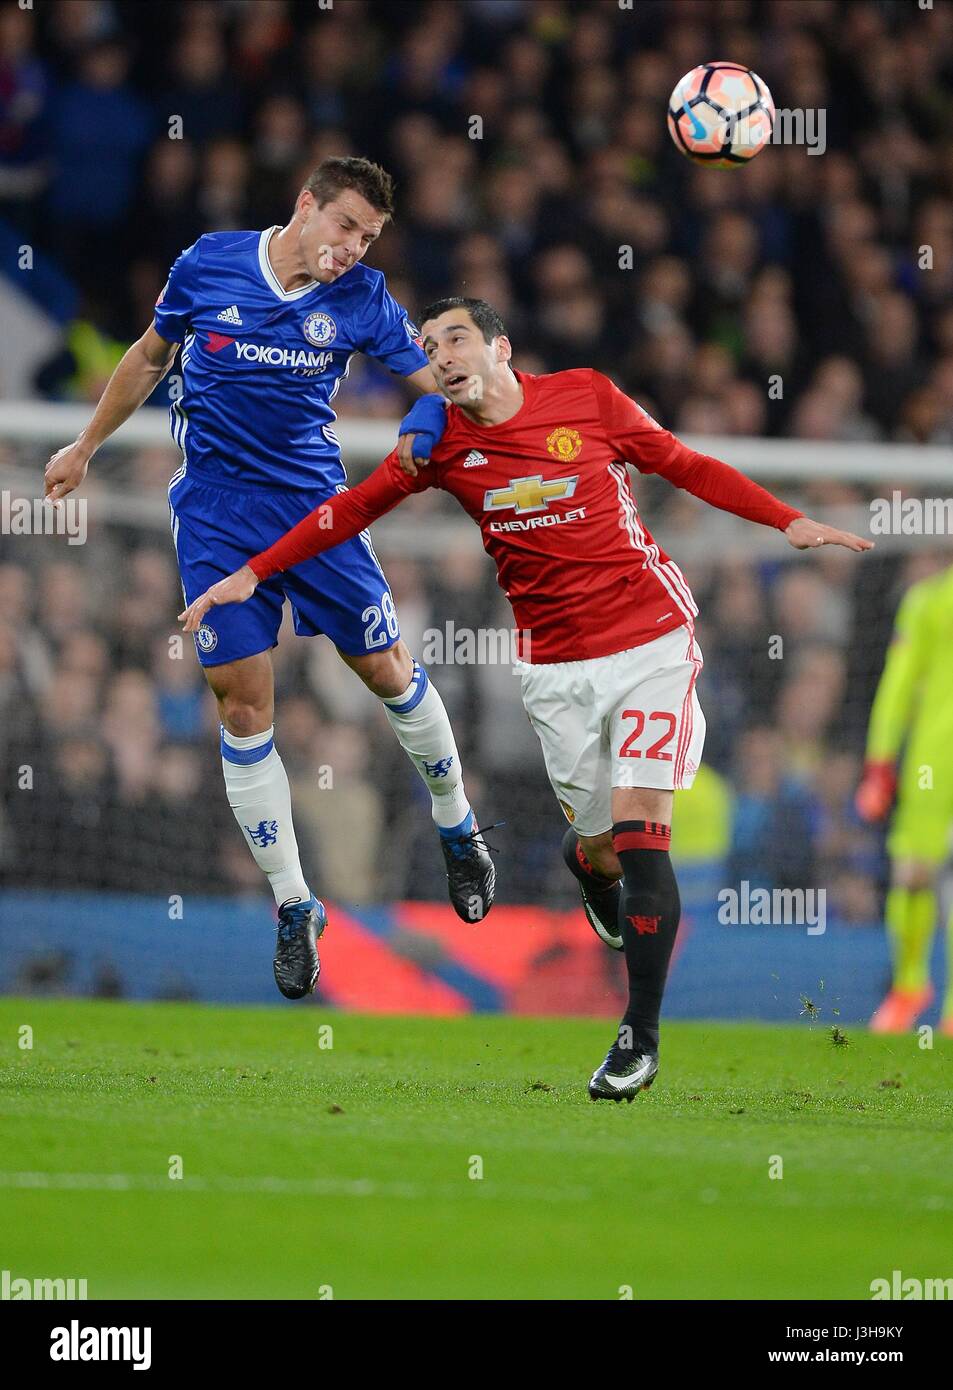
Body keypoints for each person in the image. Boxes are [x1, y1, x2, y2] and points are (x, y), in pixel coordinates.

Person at [180, 296, 872, 1098]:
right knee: (605, 847)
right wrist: (255, 572)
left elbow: (683, 463)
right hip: (553, 672)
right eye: (428, 345)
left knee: (647, 840)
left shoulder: (587, 396)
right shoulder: (437, 444)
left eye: (456, 338)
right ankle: (586, 865)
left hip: (650, 640)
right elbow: (349, 509)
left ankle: (636, 1038)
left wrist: (784, 520)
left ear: (500, 347)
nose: (440, 354)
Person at [43, 162, 494, 1003]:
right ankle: (294, 907)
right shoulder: (208, 263)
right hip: (215, 515)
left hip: (314, 511)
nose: (353, 248)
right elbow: (148, 357)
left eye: (369, 237)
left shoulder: (362, 297)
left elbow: (436, 383)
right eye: (347, 226)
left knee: (387, 672)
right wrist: (84, 446)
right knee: (244, 706)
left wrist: (426, 422)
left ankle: (458, 826)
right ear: (306, 206)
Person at [856, 563, 953, 1035]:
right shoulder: (928, 601)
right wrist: (880, 763)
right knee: (914, 874)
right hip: (935, 762)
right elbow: (897, 684)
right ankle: (910, 983)